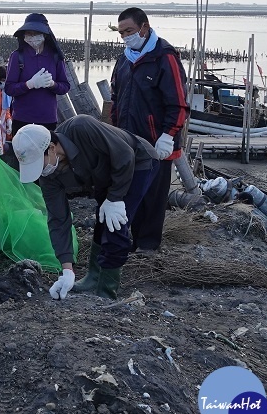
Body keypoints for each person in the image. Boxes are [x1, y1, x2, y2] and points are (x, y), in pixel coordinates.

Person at [13, 118, 158, 300]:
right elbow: (58, 219)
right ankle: (93, 277)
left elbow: (124, 154)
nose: (39, 171)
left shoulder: (82, 128)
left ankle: (106, 291)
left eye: (38, 163)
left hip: (137, 162)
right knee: (103, 218)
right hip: (105, 175)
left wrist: (115, 197)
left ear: (51, 148)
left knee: (116, 224)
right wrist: (67, 269)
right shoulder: (48, 175)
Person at [110, 7, 189, 252]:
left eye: (130, 31)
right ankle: (127, 242)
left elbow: (178, 102)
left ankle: (147, 247)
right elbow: (116, 96)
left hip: (156, 143)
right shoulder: (124, 59)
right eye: (121, 32)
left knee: (153, 197)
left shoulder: (164, 57)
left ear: (144, 27)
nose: (125, 37)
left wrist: (168, 135)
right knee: (129, 193)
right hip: (127, 140)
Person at [3, 13, 71, 134]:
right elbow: (9, 88)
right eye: (28, 33)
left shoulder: (55, 56)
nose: (32, 37)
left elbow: (65, 87)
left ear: (44, 34)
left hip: (48, 119)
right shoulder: (17, 56)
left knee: (46, 152)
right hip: (22, 119)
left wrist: (52, 84)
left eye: (35, 33)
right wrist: (29, 84)